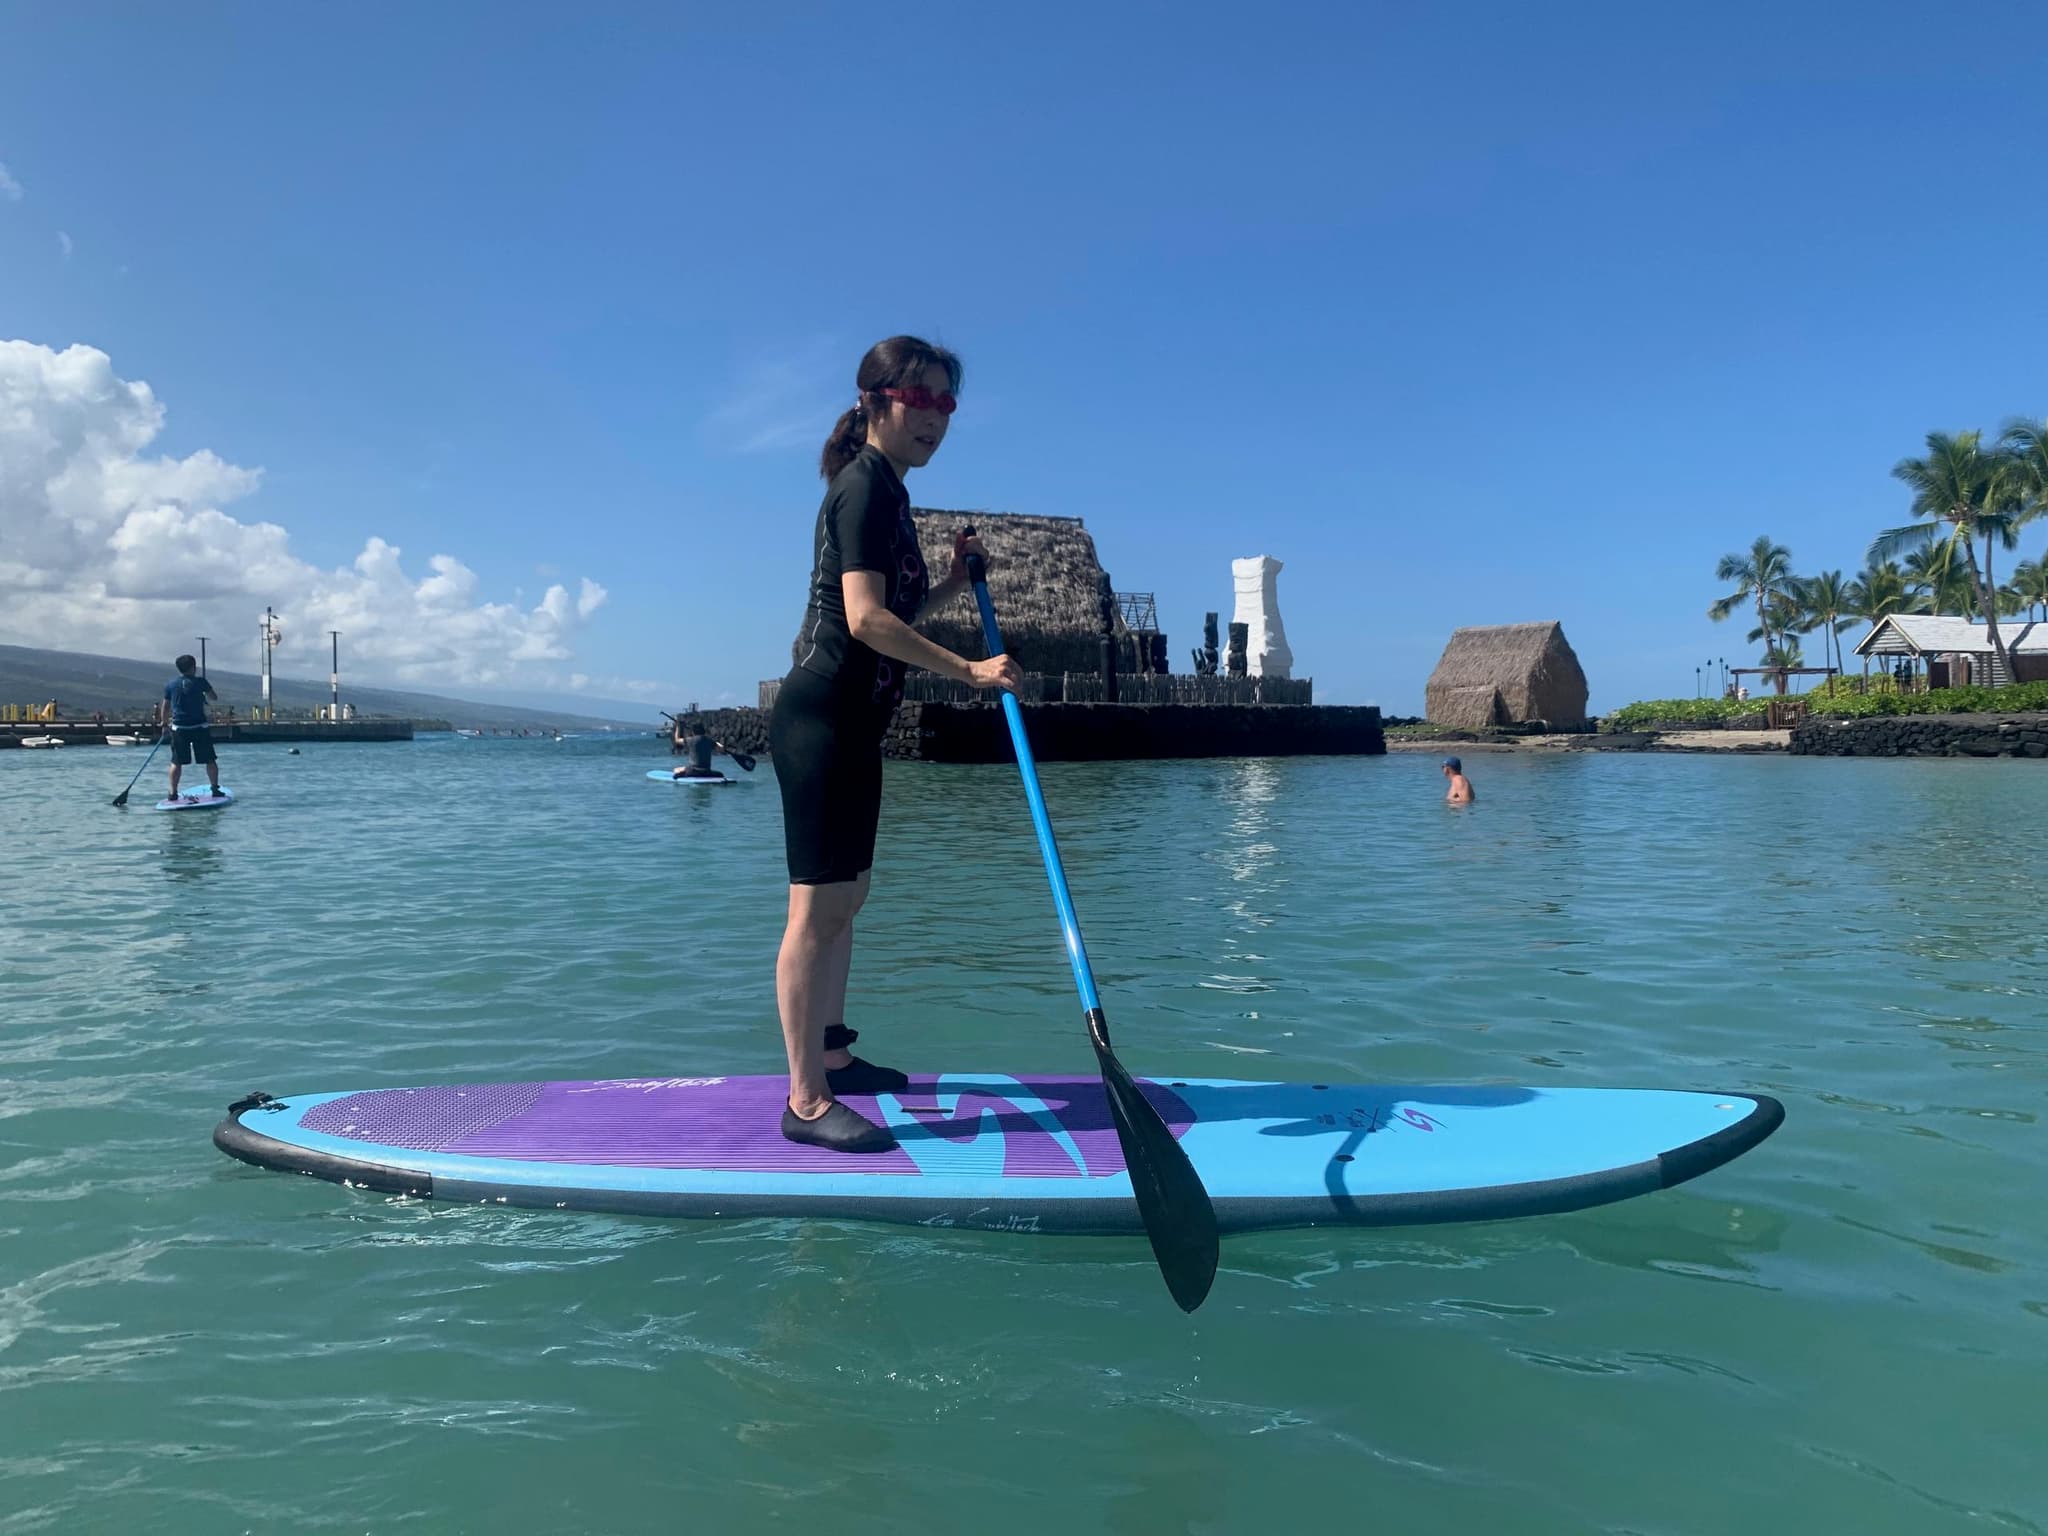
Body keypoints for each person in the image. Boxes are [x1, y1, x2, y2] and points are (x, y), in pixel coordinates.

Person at [769, 336, 1022, 1154]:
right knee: (814, 911)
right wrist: (971, 671)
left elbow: (896, 612)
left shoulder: (892, 493)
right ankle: (806, 1102)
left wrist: (950, 582)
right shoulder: (861, 489)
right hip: (819, 720)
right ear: (875, 401)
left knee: (849, 898)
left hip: (857, 726)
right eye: (921, 399)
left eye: (947, 403)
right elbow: (865, 621)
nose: (935, 418)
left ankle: (833, 1056)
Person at [158, 654, 224, 800]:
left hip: (179, 728)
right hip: (199, 727)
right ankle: (215, 789)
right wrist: (204, 691)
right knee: (210, 760)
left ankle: (173, 792)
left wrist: (164, 724)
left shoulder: (171, 684)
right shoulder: (200, 682)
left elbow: (165, 706)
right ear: (193, 667)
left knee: (176, 762)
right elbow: (214, 697)